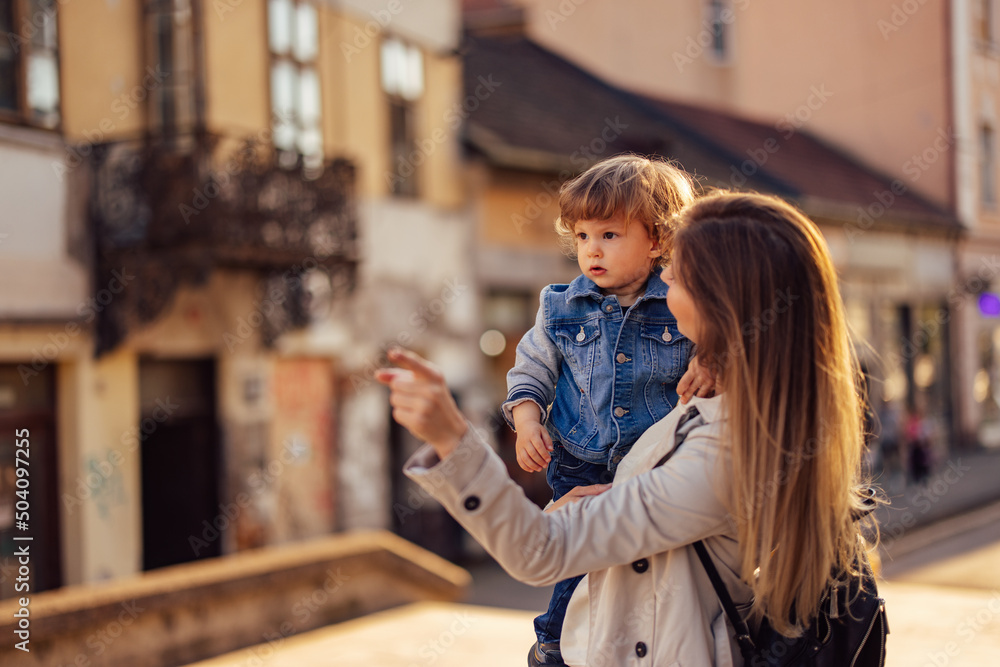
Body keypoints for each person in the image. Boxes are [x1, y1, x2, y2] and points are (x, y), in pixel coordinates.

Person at [377, 191, 876, 666]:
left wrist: (451, 439)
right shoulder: (734, 403)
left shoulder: (726, 450)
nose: (665, 290)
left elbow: (540, 552)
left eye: (675, 278)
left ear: (721, 303)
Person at [503, 155, 714, 665]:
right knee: (579, 556)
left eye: (610, 236)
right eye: (581, 237)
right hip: (582, 458)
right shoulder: (560, 306)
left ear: (659, 240)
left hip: (657, 460)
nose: (591, 250)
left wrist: (711, 359)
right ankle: (553, 642)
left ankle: (641, 641)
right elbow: (531, 368)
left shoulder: (682, 303)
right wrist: (528, 419)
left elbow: (722, 338)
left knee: (652, 561)